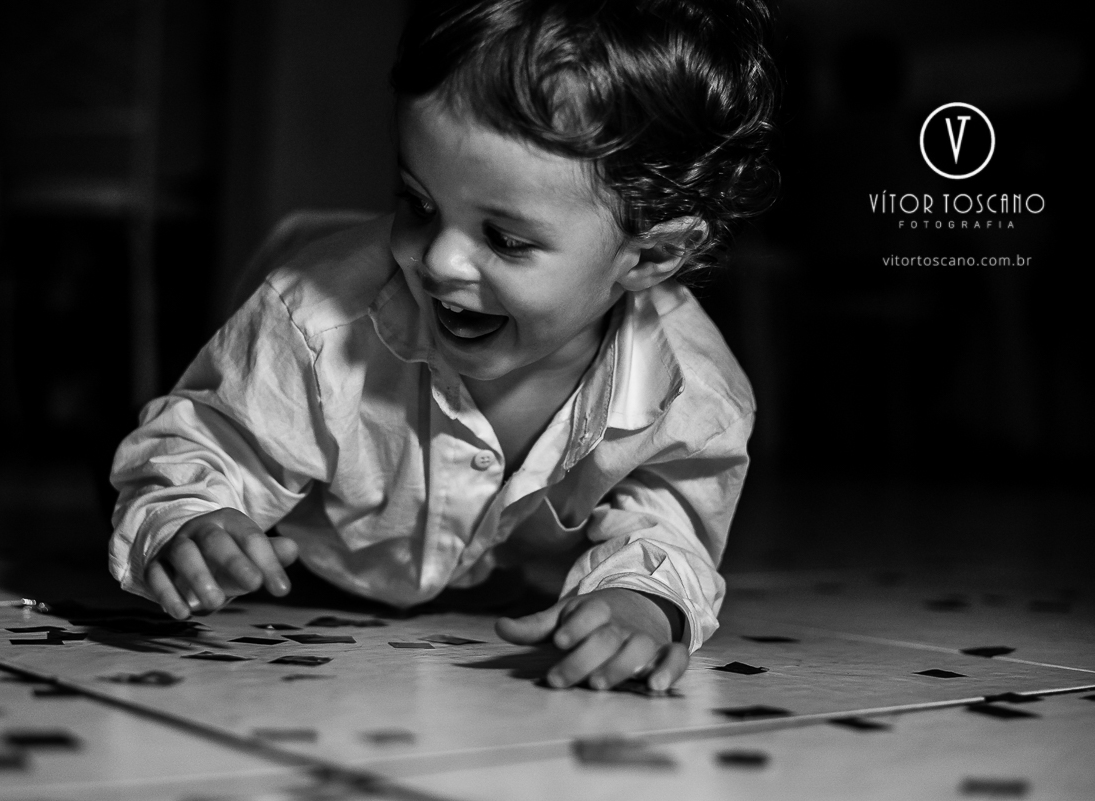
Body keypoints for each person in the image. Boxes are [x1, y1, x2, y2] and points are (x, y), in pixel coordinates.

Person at [109, 0, 778, 693]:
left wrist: (641, 603)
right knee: (147, 465)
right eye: (419, 204)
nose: (437, 260)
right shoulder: (318, 322)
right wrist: (191, 518)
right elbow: (212, 443)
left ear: (651, 255)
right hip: (306, 556)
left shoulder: (692, 396)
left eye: (504, 239)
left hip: (491, 579)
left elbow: (669, 528)